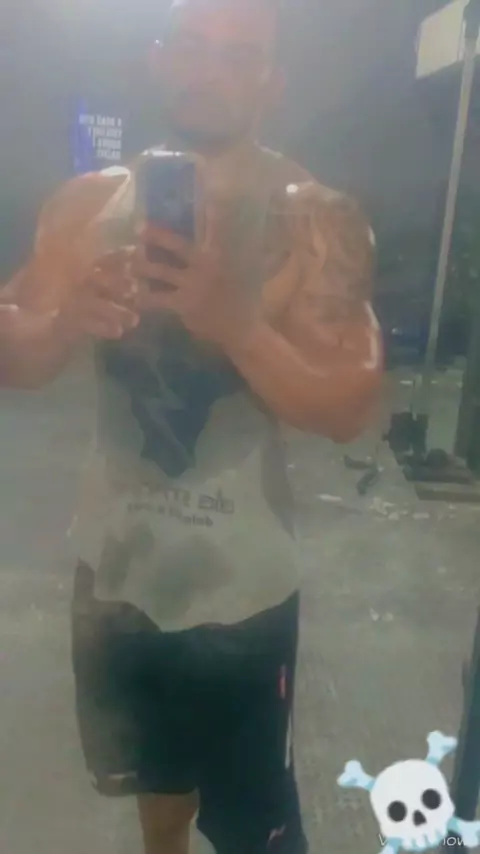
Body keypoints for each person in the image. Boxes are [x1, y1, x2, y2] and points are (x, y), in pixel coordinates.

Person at [1, 0, 382, 851]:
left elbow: (351, 405)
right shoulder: (87, 206)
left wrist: (237, 325)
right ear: (160, 61)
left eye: (239, 56)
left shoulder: (313, 218)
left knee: (258, 834)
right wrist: (65, 322)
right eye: (194, 48)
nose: (211, 72)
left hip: (242, 592)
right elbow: (15, 350)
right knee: (160, 800)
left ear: (272, 82)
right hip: (117, 578)